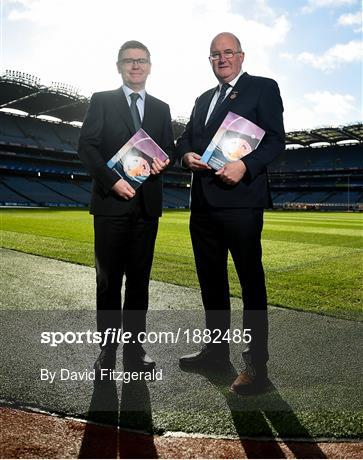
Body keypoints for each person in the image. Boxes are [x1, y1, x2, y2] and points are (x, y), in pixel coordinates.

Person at [176, 32, 285, 394]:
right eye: (214, 55)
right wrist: (185, 155)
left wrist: (247, 165)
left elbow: (275, 139)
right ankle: (216, 352)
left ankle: (257, 367)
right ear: (210, 60)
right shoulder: (202, 99)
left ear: (241, 56)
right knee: (211, 281)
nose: (221, 59)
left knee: (250, 282)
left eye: (228, 53)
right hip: (203, 204)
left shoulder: (263, 87)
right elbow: (187, 138)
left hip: (240, 200)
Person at [78, 40, 175, 374]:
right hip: (110, 205)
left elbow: (169, 150)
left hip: (146, 208)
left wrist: (165, 161)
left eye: (142, 60)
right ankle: (107, 350)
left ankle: (134, 349)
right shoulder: (102, 101)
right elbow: (86, 147)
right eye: (129, 61)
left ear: (150, 66)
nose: (136, 66)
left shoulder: (162, 108)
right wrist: (111, 181)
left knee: (139, 283)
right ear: (118, 66)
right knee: (108, 282)